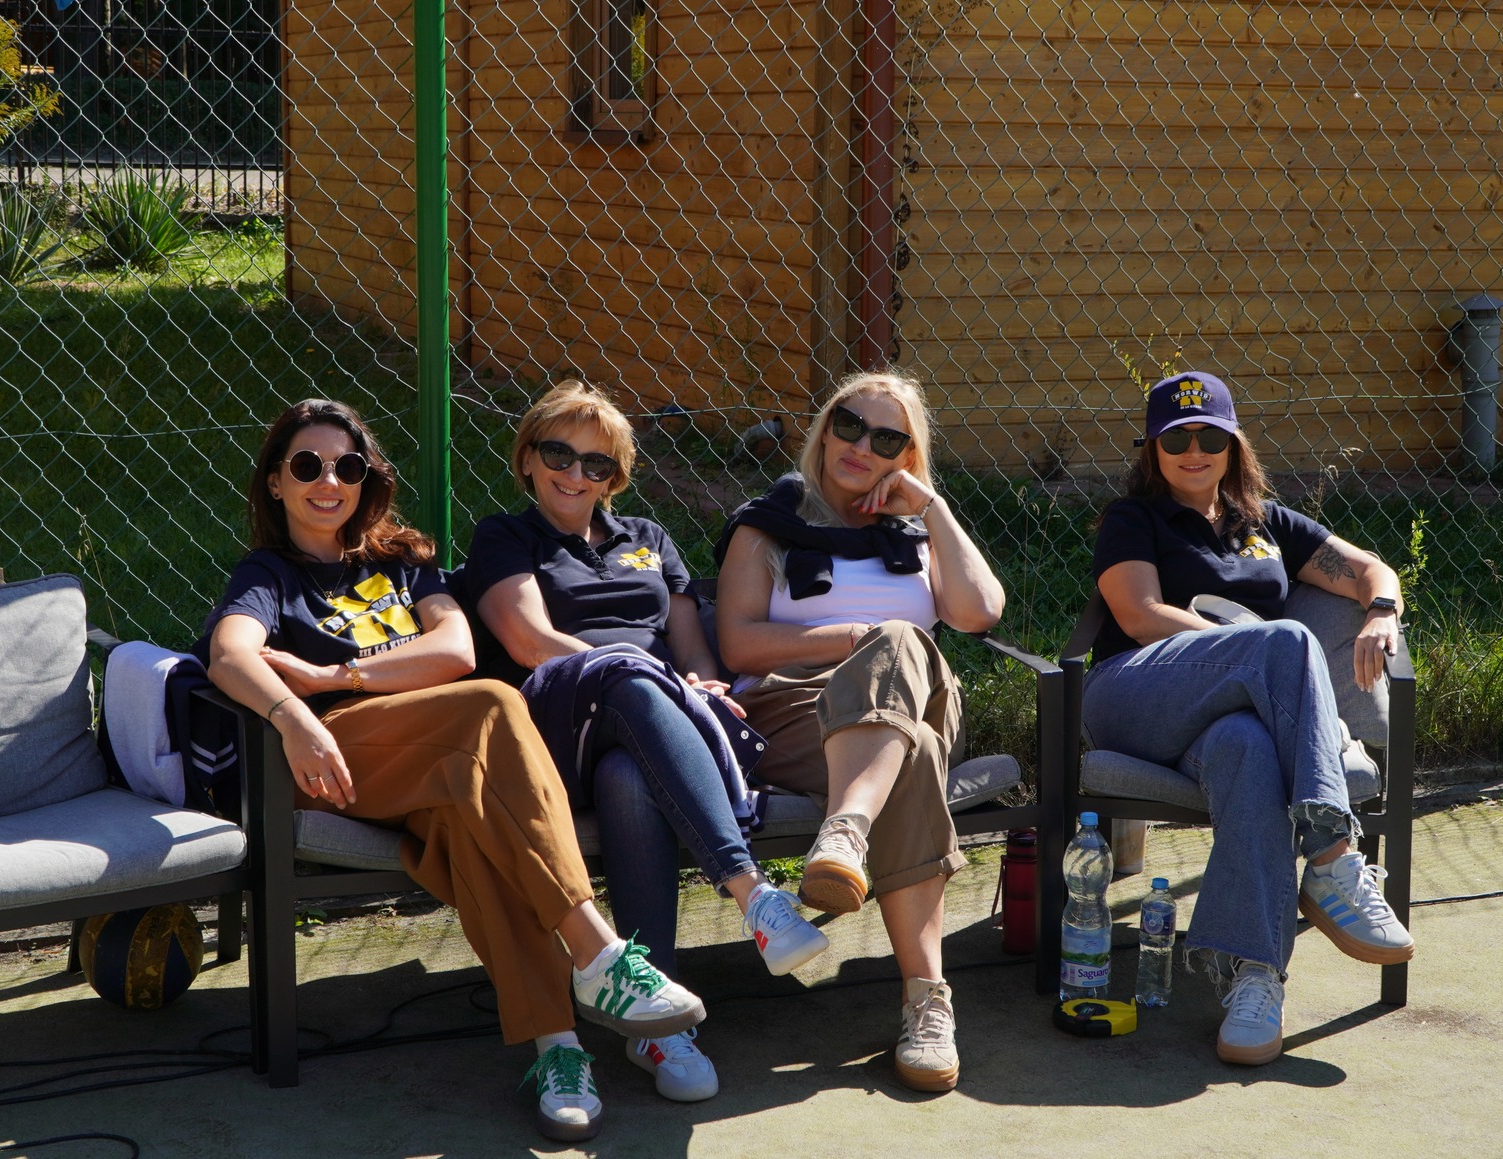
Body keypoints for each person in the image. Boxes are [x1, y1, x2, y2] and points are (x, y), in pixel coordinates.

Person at [196, 398, 706, 1142]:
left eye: (347, 466)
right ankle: (599, 951)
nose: (328, 481)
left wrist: (336, 672)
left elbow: (454, 650)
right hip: (341, 755)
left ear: (367, 478)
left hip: (435, 753)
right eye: (307, 465)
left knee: (472, 826)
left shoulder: (405, 562)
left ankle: (558, 1047)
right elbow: (230, 655)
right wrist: (297, 717)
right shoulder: (269, 574)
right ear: (276, 481)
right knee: (495, 701)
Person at [463, 381, 829, 1104]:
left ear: (616, 478)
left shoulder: (649, 540)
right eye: (558, 454)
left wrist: (695, 681)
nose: (575, 474)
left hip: (648, 722)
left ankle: (657, 1023)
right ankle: (752, 893)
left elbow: (694, 650)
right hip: (554, 723)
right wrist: (651, 675)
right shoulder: (504, 536)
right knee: (629, 676)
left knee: (630, 775)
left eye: (597, 464)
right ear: (528, 458)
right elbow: (530, 641)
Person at [1081, 371, 1416, 1067]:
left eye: (1210, 438)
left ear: (1233, 446)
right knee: (1284, 642)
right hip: (1135, 695)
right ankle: (1331, 854)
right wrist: (1247, 649)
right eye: (1176, 438)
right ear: (1152, 448)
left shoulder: (1266, 522)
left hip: (1229, 720)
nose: (1193, 451)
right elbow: (1139, 616)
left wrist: (1382, 612)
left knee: (1249, 749)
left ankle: (1254, 977)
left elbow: (1369, 570)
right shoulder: (1133, 518)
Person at [714, 370, 1005, 1093]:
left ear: (906, 456)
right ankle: (926, 1001)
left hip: (916, 700)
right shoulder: (767, 522)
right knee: (917, 751)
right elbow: (739, 645)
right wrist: (854, 636)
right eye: (848, 425)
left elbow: (979, 613)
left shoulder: (918, 532)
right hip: (796, 711)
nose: (861, 446)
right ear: (824, 430)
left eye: (886, 439)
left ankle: (844, 831)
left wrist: (932, 507)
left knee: (903, 643)